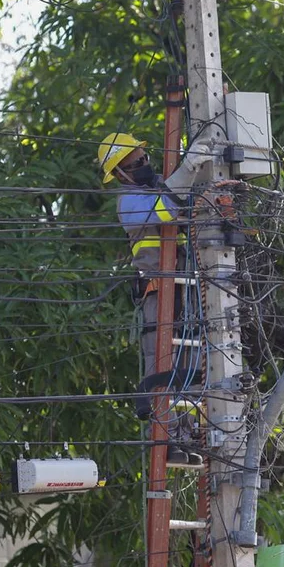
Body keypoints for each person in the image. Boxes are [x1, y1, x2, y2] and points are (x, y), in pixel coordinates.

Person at [98, 132, 214, 465]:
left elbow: (186, 202)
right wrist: (188, 168)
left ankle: (191, 434)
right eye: (135, 163)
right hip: (158, 292)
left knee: (193, 365)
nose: (144, 164)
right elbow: (166, 208)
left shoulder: (160, 184)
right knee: (164, 364)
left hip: (188, 287)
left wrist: (197, 169)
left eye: (144, 157)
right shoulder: (129, 201)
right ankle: (168, 438)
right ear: (120, 173)